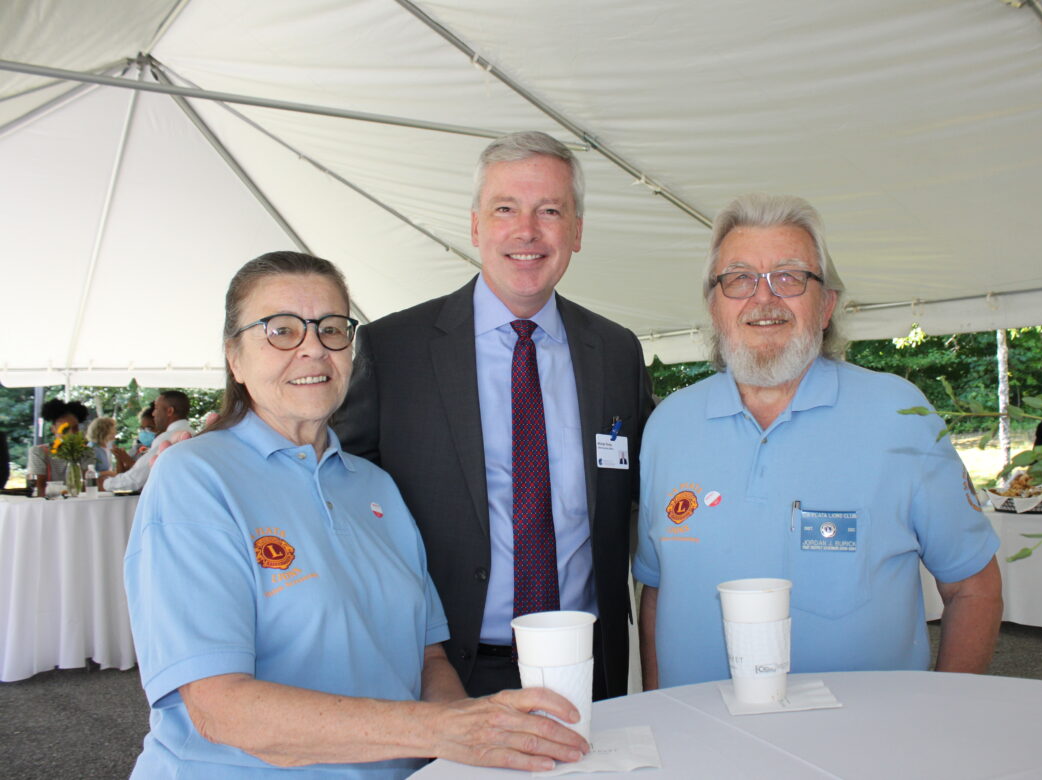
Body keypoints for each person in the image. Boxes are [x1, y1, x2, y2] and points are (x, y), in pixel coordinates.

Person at [124, 251, 588, 778]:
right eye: (281, 331)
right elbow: (220, 707)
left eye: (330, 329)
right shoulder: (197, 477)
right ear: (234, 356)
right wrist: (442, 731)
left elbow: (429, 660)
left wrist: (478, 734)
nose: (313, 350)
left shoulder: (376, 487)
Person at [634, 194, 1003, 690]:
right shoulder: (667, 425)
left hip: (863, 749)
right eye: (739, 278)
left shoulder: (900, 415)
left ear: (826, 304)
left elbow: (974, 587)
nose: (763, 298)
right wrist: (662, 715)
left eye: (789, 277)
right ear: (714, 306)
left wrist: (943, 715)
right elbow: (657, 590)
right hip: (699, 745)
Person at [337, 131, 653, 700]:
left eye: (550, 210)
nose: (527, 231)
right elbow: (337, 494)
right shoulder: (395, 349)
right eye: (505, 209)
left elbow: (647, 486)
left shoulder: (616, 352)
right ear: (477, 226)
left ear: (576, 232)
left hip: (588, 667)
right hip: (446, 671)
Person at [100, 391, 193, 492]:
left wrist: (106, 484)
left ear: (170, 411)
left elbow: (137, 478)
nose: (153, 414)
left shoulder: (168, 438)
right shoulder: (195, 434)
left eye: (156, 408)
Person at [27, 398, 95, 497]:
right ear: (53, 429)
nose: (72, 433)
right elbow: (38, 488)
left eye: (75, 428)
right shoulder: (39, 452)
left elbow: (88, 485)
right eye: (65, 429)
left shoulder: (86, 452)